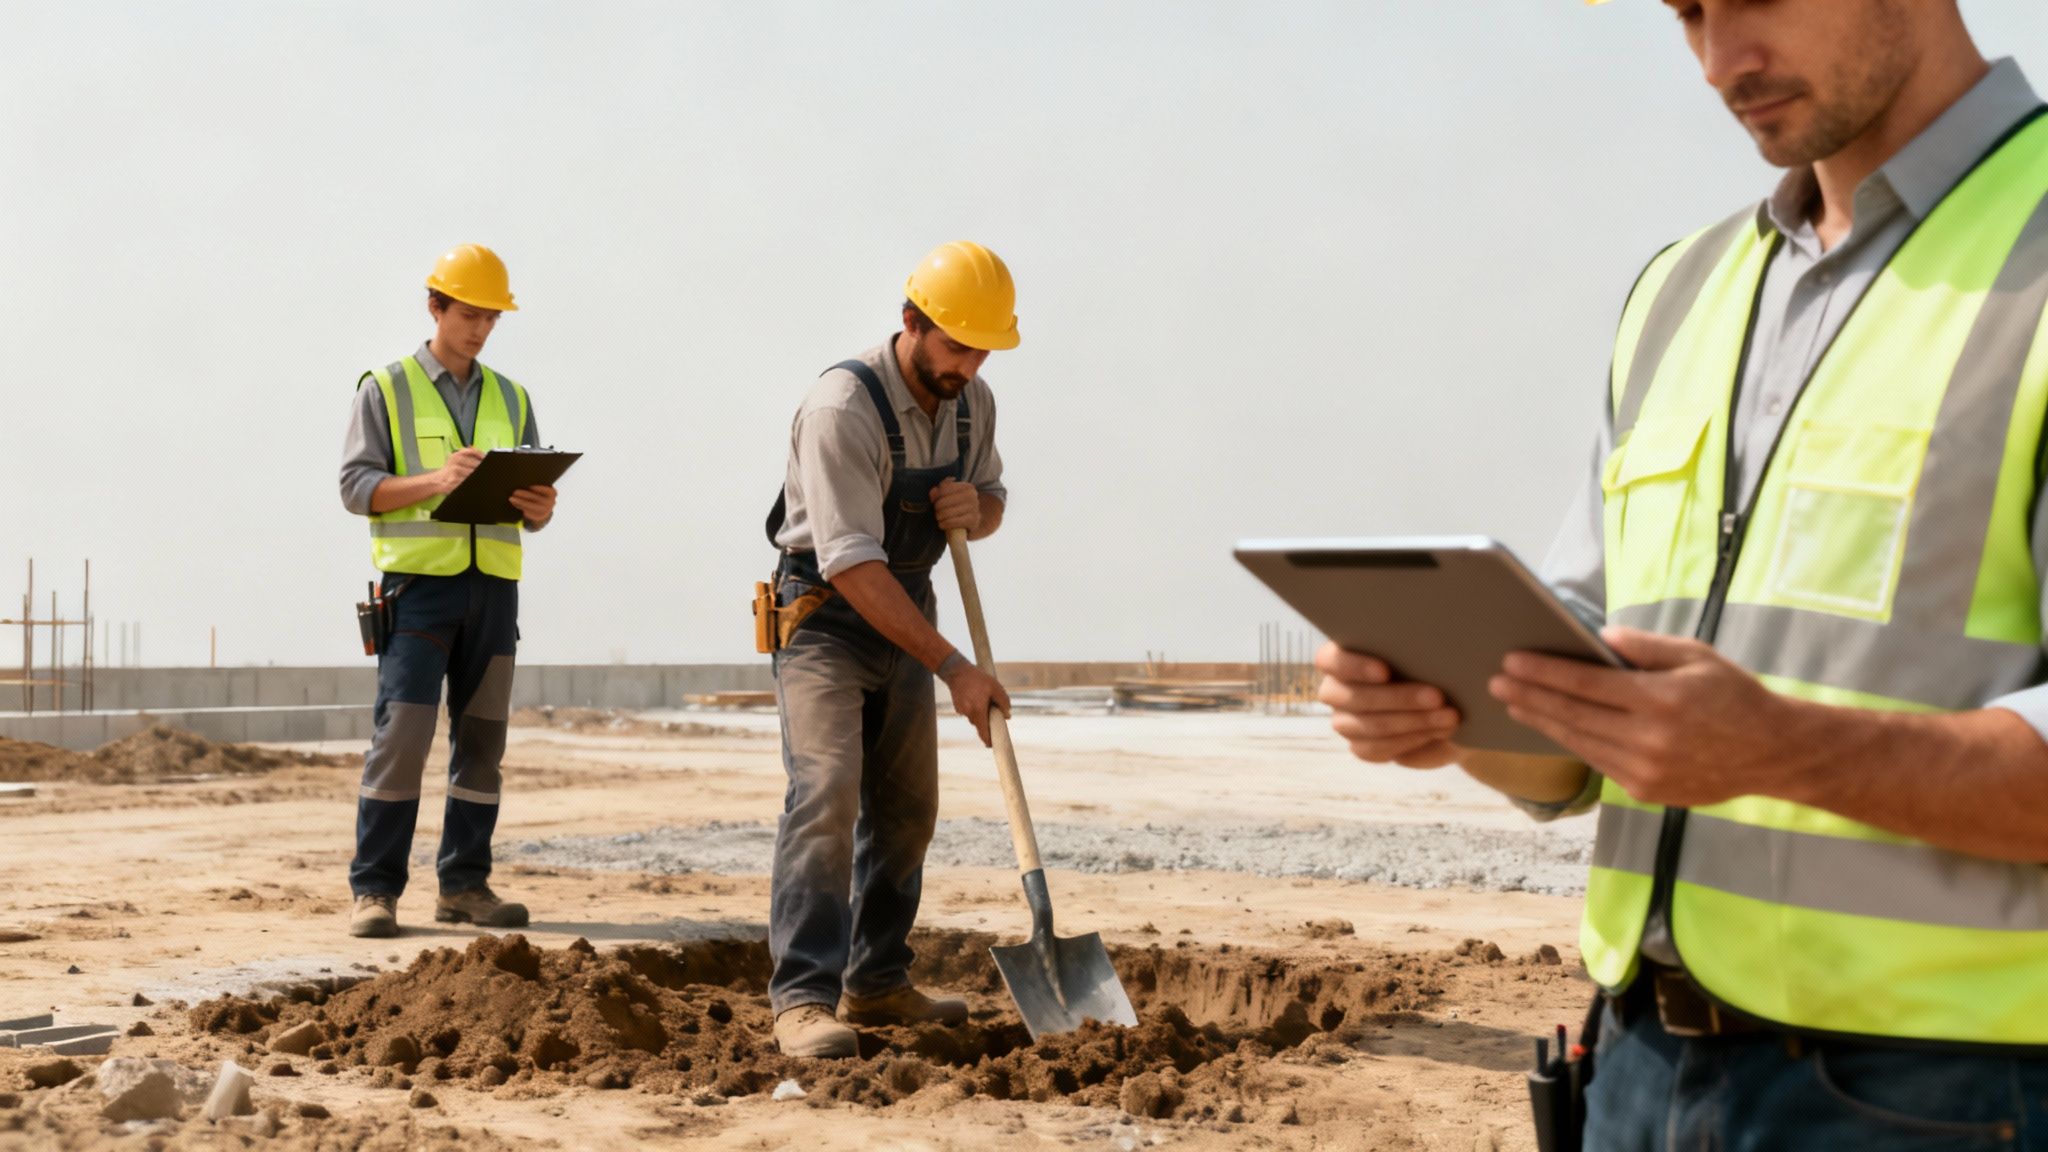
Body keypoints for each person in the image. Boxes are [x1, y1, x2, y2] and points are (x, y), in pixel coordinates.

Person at [1318, 1, 2048, 1143]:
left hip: (1939, 1098)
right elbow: (1591, 685)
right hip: (1633, 1071)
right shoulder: (1681, 291)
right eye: (1687, 12)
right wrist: (1451, 709)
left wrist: (1781, 749)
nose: (1718, 62)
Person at [761, 241, 1017, 1058]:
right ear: (911, 322)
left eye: (981, 349)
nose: (967, 365)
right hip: (826, 617)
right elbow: (853, 564)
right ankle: (803, 997)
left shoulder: (973, 403)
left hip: (910, 608)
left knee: (908, 813)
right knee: (829, 792)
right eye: (954, 346)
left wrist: (974, 506)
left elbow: (995, 503)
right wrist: (954, 667)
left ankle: (875, 982)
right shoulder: (843, 409)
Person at [337, 244, 558, 939]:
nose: (481, 329)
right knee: (402, 737)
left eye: (492, 318)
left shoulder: (512, 397)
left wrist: (539, 508)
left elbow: (531, 501)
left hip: (493, 592)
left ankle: (464, 886)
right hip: (419, 591)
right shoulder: (386, 386)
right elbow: (355, 488)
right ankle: (375, 891)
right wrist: (434, 480)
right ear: (435, 307)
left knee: (483, 744)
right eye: (469, 315)